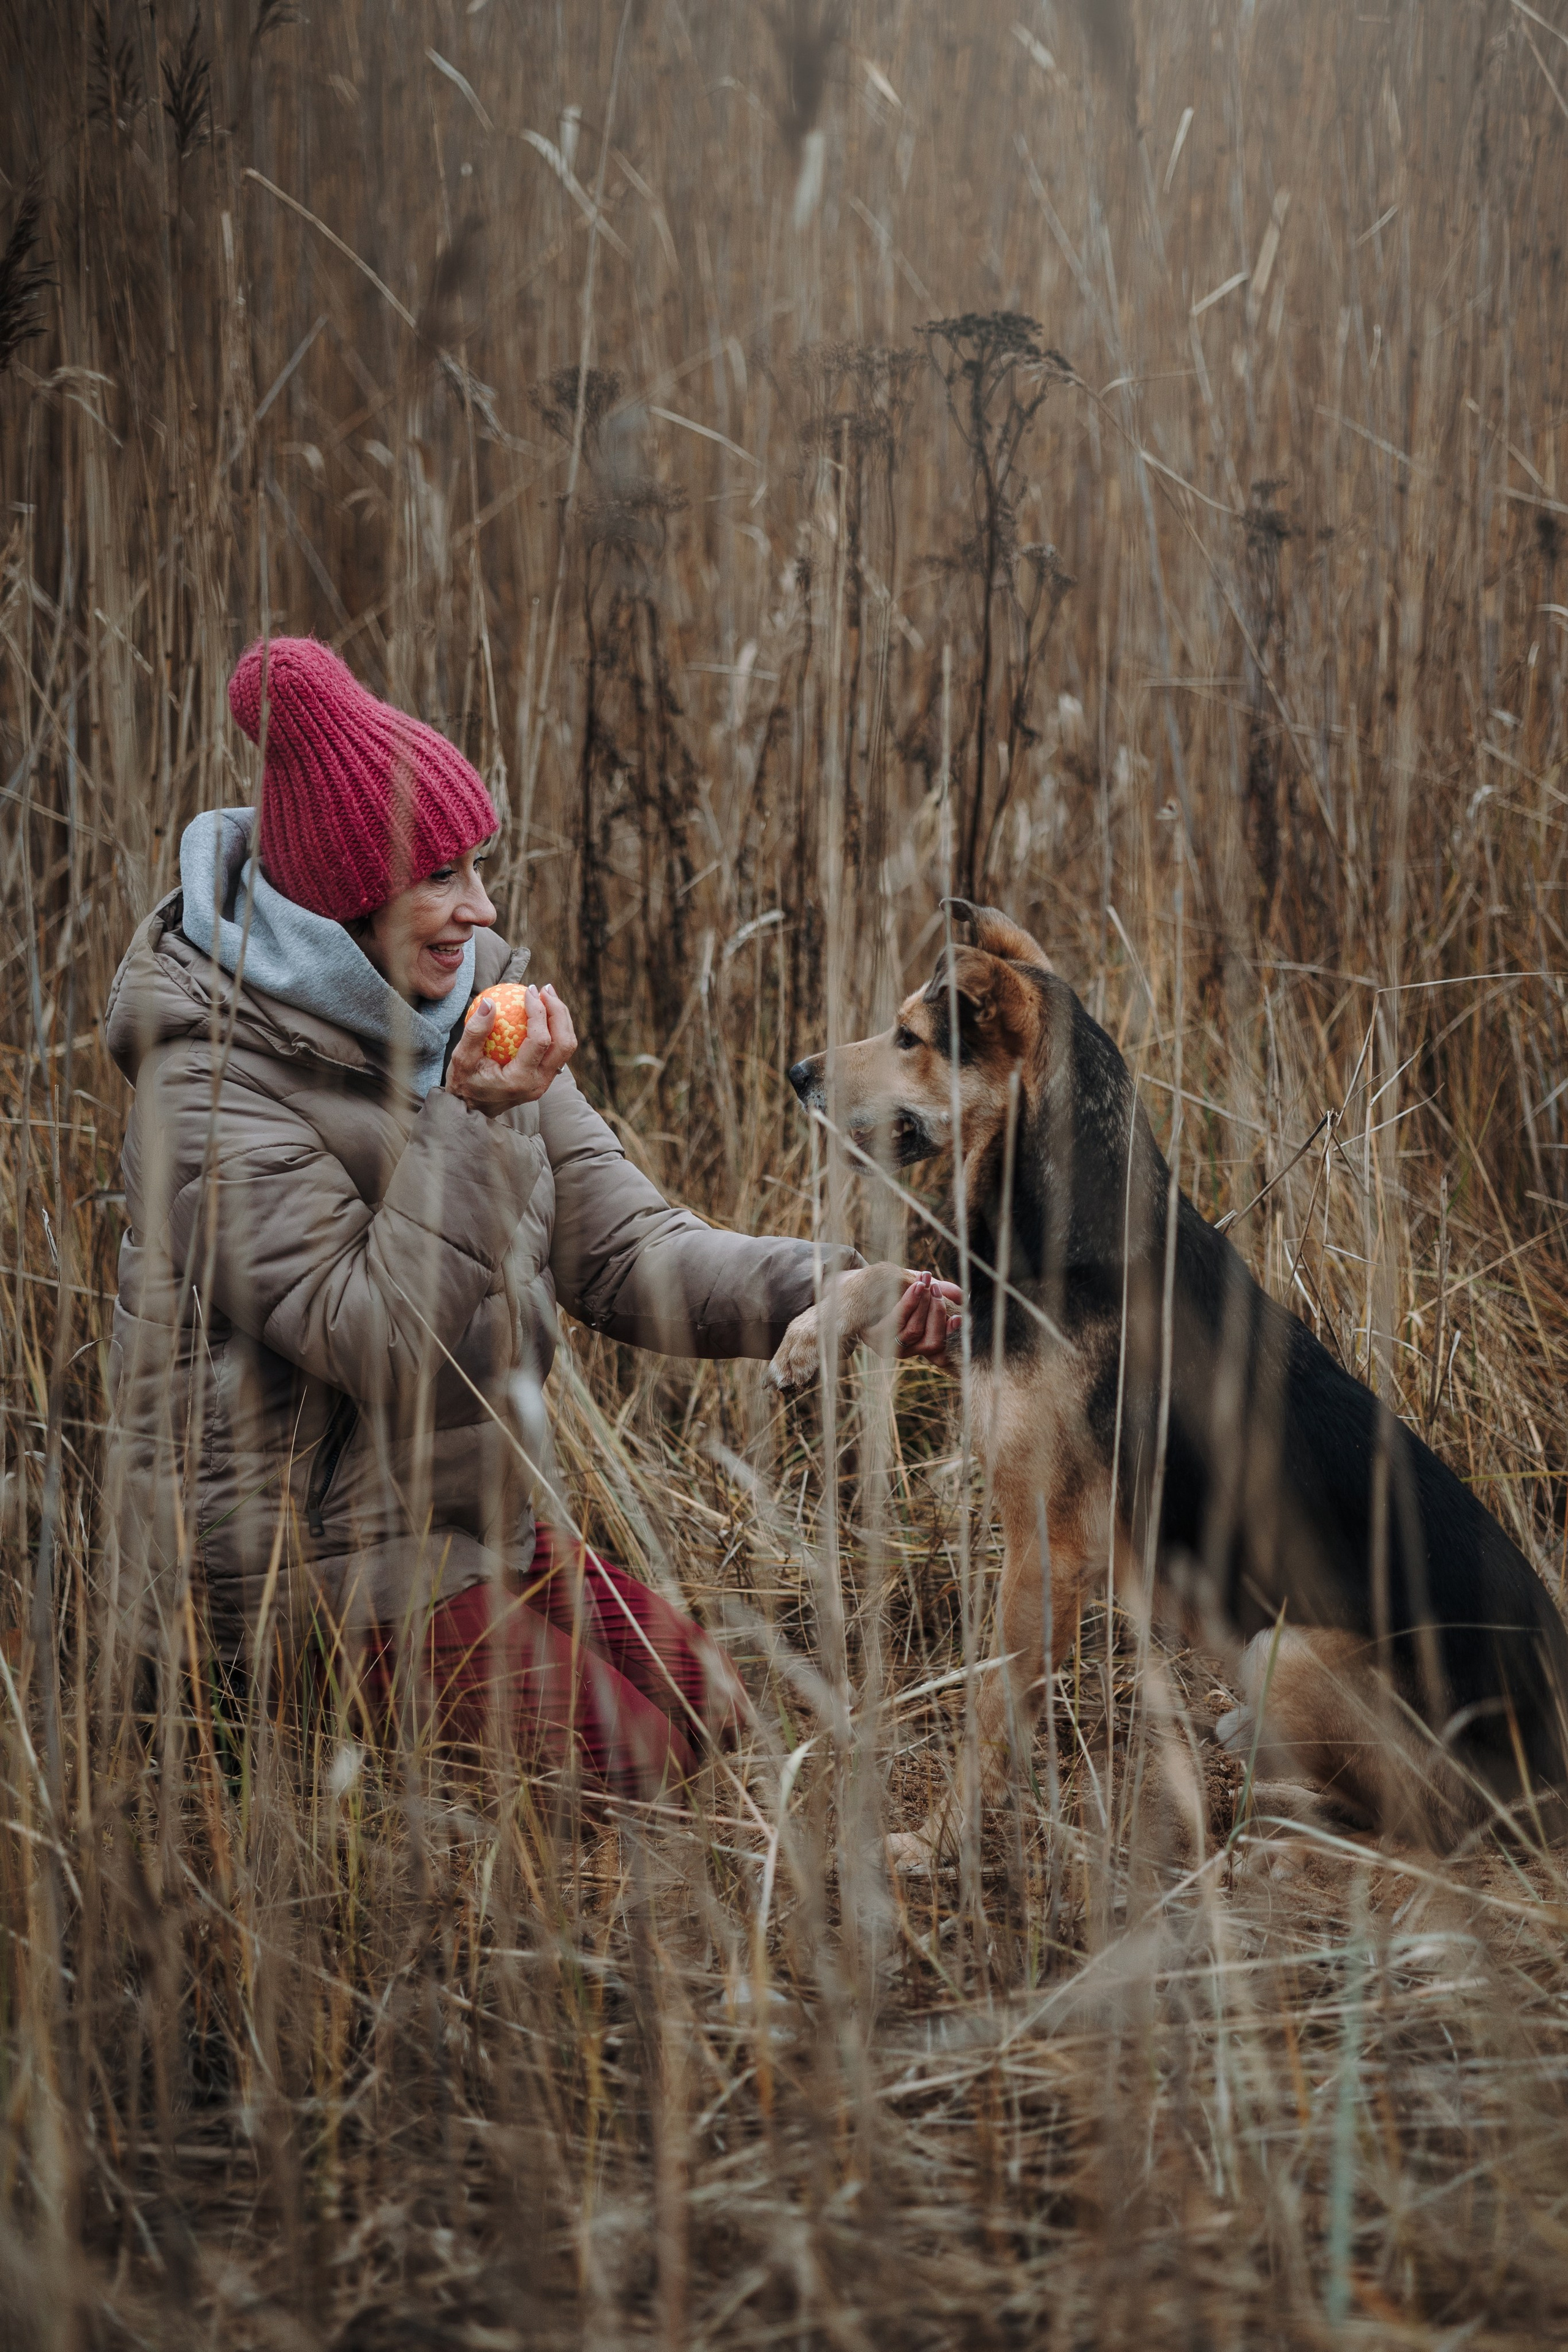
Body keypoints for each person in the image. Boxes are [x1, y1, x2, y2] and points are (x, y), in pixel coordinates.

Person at [105, 637, 958, 1802]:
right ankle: (271, 1753)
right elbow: (388, 1347)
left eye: (478, 865)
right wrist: (472, 1117)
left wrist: (824, 1289)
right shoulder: (205, 1087)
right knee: (636, 1770)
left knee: (717, 1713)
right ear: (350, 898)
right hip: (295, 1585)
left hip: (466, 1529)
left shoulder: (465, 1019)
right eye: (442, 876)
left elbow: (627, 1253)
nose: (482, 904)